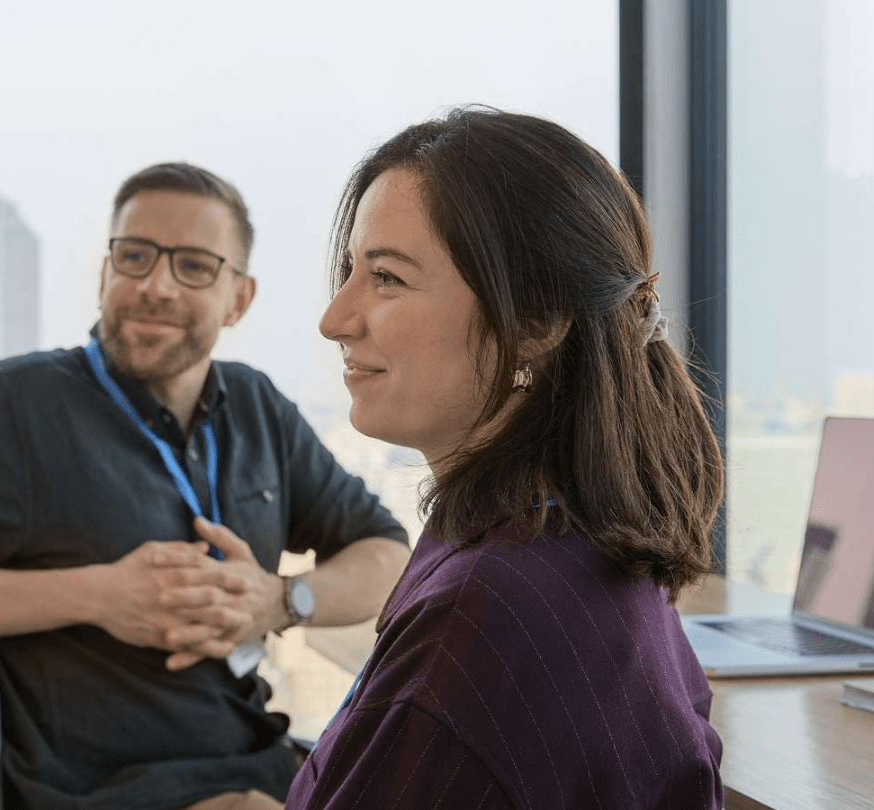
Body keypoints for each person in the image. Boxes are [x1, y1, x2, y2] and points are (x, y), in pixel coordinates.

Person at [0, 162, 411, 810]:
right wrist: (101, 593)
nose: (155, 286)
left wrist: (280, 601)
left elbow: (389, 555)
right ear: (105, 274)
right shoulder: (13, 405)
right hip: (110, 792)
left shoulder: (257, 407)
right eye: (134, 257)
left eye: (193, 265)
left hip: (270, 766)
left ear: (239, 299)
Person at [287, 108, 726, 809]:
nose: (335, 318)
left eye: (388, 278)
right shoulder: (579, 550)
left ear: (536, 323)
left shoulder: (477, 621)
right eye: (349, 272)